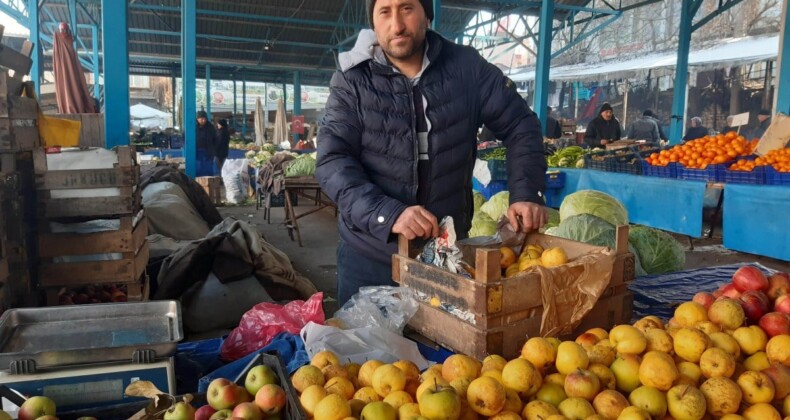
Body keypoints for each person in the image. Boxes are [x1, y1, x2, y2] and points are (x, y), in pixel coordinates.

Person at [315, 0, 547, 305]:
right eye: (384, 12)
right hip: (370, 254)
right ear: (373, 22)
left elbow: (520, 124)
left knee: (446, 349)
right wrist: (389, 214)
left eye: (407, 9)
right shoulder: (353, 79)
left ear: (427, 14)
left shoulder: (467, 68)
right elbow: (333, 161)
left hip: (447, 253)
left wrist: (526, 192)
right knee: (365, 350)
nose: (396, 25)